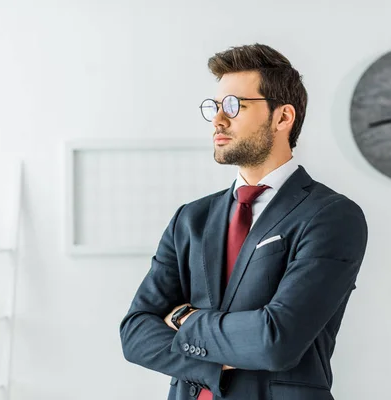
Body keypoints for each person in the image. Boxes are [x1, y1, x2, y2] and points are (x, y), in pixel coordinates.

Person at [119, 43, 368, 400]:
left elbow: (275, 340)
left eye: (235, 106)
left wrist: (183, 319)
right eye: (215, 107)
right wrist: (213, 364)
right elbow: (135, 333)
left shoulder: (330, 216)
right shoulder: (191, 218)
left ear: (283, 118)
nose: (219, 119)